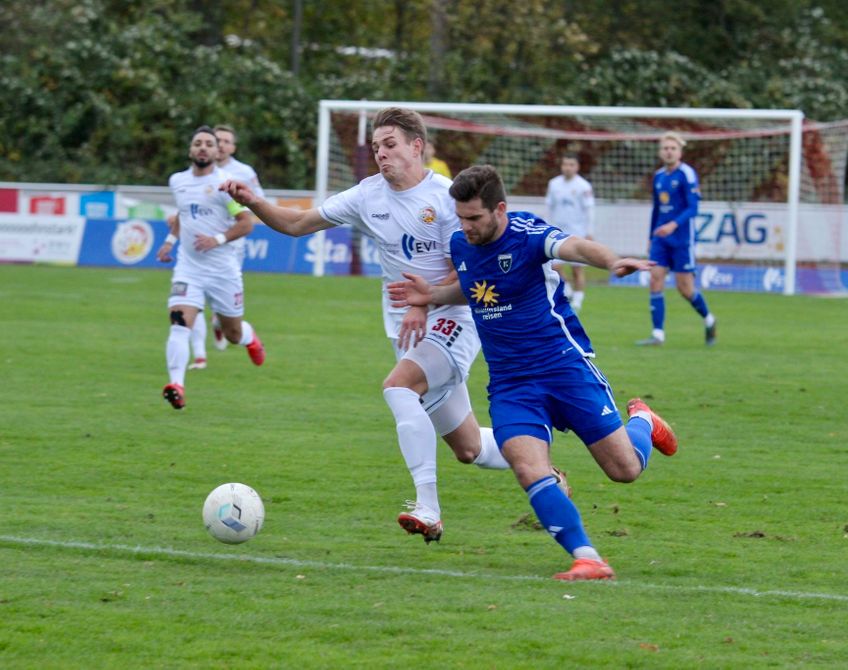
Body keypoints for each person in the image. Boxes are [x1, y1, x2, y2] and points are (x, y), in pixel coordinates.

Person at [221, 107, 567, 543]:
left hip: (454, 318)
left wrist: (425, 300)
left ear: (416, 146)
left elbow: (471, 272)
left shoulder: (446, 198)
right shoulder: (367, 196)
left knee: (398, 387)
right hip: (407, 330)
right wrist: (254, 201)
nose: (381, 155)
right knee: (468, 449)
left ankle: (429, 509)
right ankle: (546, 471)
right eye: (375, 148)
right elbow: (295, 223)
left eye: (390, 145)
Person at [387, 165, 678, 581]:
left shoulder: (528, 234)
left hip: (563, 366)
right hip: (510, 383)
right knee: (527, 467)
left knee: (624, 470)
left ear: (499, 209)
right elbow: (473, 287)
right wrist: (432, 295)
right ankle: (588, 557)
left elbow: (575, 246)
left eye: (474, 218)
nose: (465, 227)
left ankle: (644, 422)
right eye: (461, 216)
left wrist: (612, 261)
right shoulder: (461, 243)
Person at [156, 126, 265, 410]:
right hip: (188, 269)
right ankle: (176, 385)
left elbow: (245, 223)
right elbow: (184, 214)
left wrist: (216, 239)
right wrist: (169, 241)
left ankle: (249, 338)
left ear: (218, 152)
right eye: (197, 143)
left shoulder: (225, 185)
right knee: (179, 324)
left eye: (208, 144)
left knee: (231, 333)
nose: (202, 147)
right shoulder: (177, 181)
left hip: (222, 271)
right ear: (190, 150)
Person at [183, 124, 265, 369]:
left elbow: (257, 201)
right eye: (218, 140)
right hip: (195, 251)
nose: (222, 144)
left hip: (230, 247)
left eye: (227, 141)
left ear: (232, 146)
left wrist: (234, 211)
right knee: (192, 301)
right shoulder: (193, 174)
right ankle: (199, 357)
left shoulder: (242, 171)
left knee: (223, 309)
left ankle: (223, 324)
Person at [637, 131, 716, 346]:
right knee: (655, 279)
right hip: (661, 240)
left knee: (685, 288)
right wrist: (651, 236)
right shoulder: (659, 176)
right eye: (665, 148)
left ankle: (709, 319)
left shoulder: (687, 174)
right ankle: (658, 334)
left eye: (673, 148)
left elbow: (693, 208)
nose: (669, 152)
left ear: (679, 152)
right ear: (660, 151)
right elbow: (657, 209)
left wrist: (673, 225)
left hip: (682, 239)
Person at [545, 152, 595, 311]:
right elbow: (549, 208)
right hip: (558, 232)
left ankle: (578, 299)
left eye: (571, 165)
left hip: (577, 232)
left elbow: (589, 210)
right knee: (555, 267)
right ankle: (569, 290)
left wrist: (589, 231)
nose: (567, 168)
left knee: (577, 269)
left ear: (577, 167)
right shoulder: (554, 184)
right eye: (565, 164)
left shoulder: (583, 186)